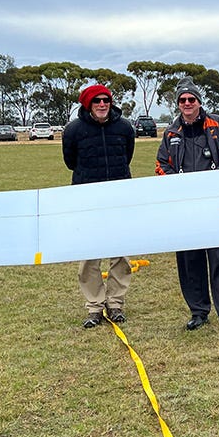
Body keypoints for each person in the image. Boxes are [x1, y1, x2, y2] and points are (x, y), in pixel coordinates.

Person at [154, 80, 219, 336]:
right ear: (178, 104)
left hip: (215, 203)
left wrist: (213, 180)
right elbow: (161, 164)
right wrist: (177, 183)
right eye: (182, 100)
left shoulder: (217, 124)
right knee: (189, 260)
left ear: (199, 101)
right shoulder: (171, 132)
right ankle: (198, 312)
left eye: (191, 99)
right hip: (185, 207)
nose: (187, 104)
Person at [61, 83, 137, 328]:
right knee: (89, 257)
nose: (102, 104)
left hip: (119, 197)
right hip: (86, 199)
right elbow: (70, 162)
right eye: (97, 101)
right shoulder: (73, 130)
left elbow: (127, 157)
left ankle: (115, 303)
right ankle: (94, 306)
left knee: (120, 254)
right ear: (87, 104)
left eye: (106, 100)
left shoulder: (125, 128)